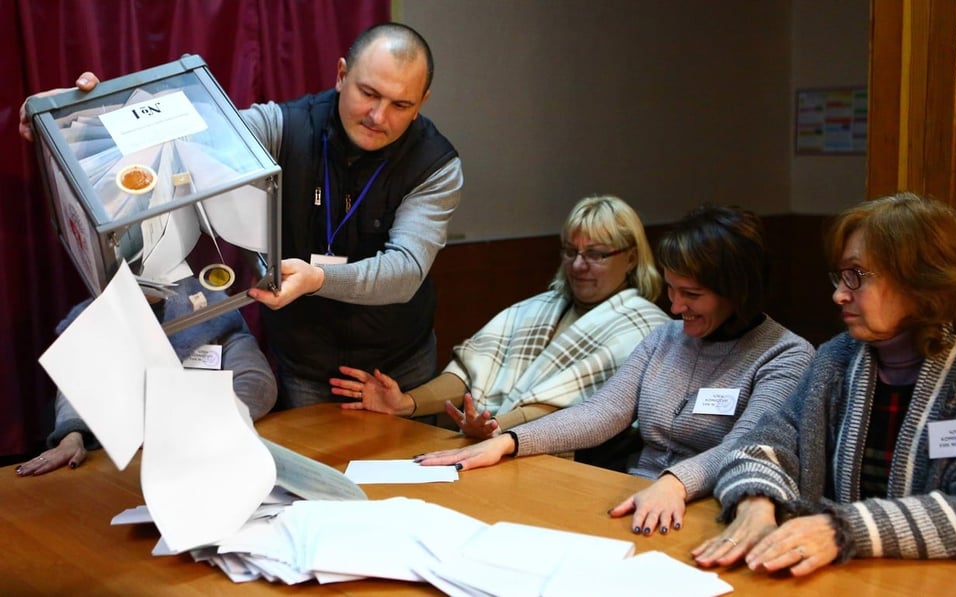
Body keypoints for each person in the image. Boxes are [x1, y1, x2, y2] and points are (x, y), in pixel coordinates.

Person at [20, 22, 463, 410]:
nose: (377, 115)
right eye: (368, 93)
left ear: (422, 101)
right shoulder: (284, 125)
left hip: (399, 366)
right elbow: (193, 130)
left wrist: (317, 279)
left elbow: (406, 271)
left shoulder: (436, 165)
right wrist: (78, 114)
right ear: (342, 74)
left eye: (400, 105)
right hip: (305, 364)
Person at [413, 204, 815, 537]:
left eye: (692, 295)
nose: (675, 308)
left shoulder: (785, 355)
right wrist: (509, 441)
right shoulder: (665, 338)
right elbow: (602, 413)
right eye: (672, 290)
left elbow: (745, 448)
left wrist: (674, 483)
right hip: (633, 493)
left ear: (739, 291)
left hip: (715, 509)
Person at [693, 192, 956, 575]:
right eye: (840, 276)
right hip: (848, 578)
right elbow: (762, 444)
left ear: (922, 279)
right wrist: (757, 500)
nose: (838, 294)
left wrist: (841, 529)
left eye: (856, 276)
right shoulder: (838, 357)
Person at [330, 195, 670, 443]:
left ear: (631, 258)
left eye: (595, 254)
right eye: (570, 251)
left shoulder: (646, 327)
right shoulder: (540, 306)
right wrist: (406, 402)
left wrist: (497, 427)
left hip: (555, 461)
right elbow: (472, 372)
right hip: (491, 441)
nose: (579, 265)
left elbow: (575, 409)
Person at [15, 276, 277, 477]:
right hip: (125, 472)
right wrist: (71, 435)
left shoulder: (212, 308)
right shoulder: (94, 317)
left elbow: (256, 384)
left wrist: (191, 427)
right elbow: (78, 387)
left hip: (207, 462)